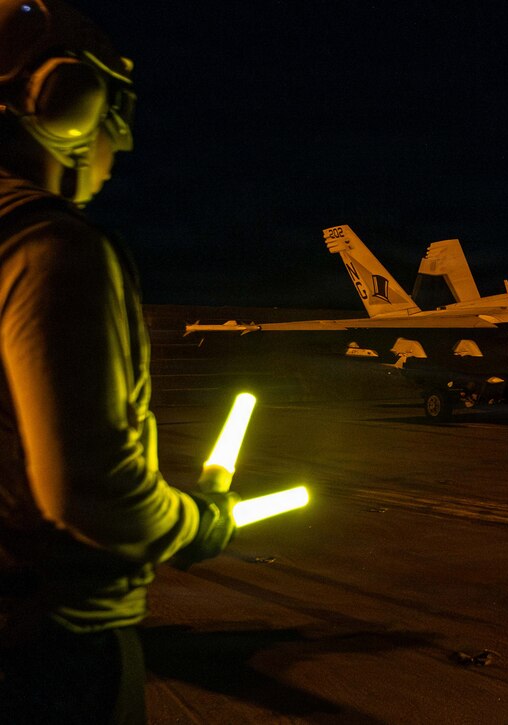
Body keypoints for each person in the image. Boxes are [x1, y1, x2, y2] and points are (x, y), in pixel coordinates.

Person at [0, 2, 236, 722]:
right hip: (52, 652)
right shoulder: (53, 250)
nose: (119, 145)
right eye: (113, 110)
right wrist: (197, 521)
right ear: (68, 102)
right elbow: (93, 493)